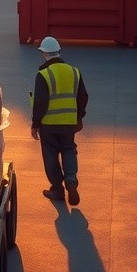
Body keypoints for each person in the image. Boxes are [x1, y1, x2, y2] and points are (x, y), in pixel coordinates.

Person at [31, 36, 88, 206]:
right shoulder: (74, 71)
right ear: (58, 51)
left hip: (49, 124)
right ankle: (71, 180)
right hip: (69, 123)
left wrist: (35, 123)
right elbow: (83, 96)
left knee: (50, 155)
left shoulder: (43, 74)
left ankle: (57, 189)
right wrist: (78, 117)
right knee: (69, 149)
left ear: (43, 54)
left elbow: (40, 102)